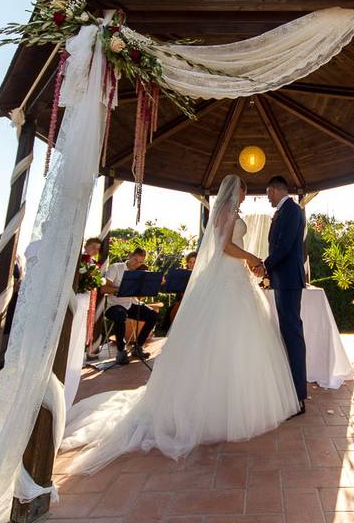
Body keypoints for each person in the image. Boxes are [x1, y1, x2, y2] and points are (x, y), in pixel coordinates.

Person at [61, 175, 299, 472]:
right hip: (225, 276)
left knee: (239, 339)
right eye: (242, 189)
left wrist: (250, 264)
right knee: (218, 335)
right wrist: (252, 257)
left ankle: (230, 400)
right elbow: (224, 245)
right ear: (232, 191)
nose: (244, 193)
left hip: (236, 278)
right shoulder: (225, 212)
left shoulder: (233, 213)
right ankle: (210, 407)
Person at [259, 175, 308, 413]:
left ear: (275, 190)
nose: (267, 197)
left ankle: (298, 398)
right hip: (283, 279)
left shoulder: (291, 210)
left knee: (292, 334)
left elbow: (285, 246)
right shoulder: (285, 210)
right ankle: (292, 391)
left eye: (268, 193)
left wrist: (264, 265)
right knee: (288, 333)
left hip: (288, 280)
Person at [102, 247, 158, 365]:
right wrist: (121, 289)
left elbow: (140, 295)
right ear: (130, 256)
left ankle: (138, 347)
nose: (137, 264)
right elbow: (104, 289)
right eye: (135, 260)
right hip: (114, 306)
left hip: (132, 304)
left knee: (153, 315)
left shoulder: (140, 272)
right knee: (120, 314)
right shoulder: (116, 268)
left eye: (140, 262)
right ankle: (121, 351)